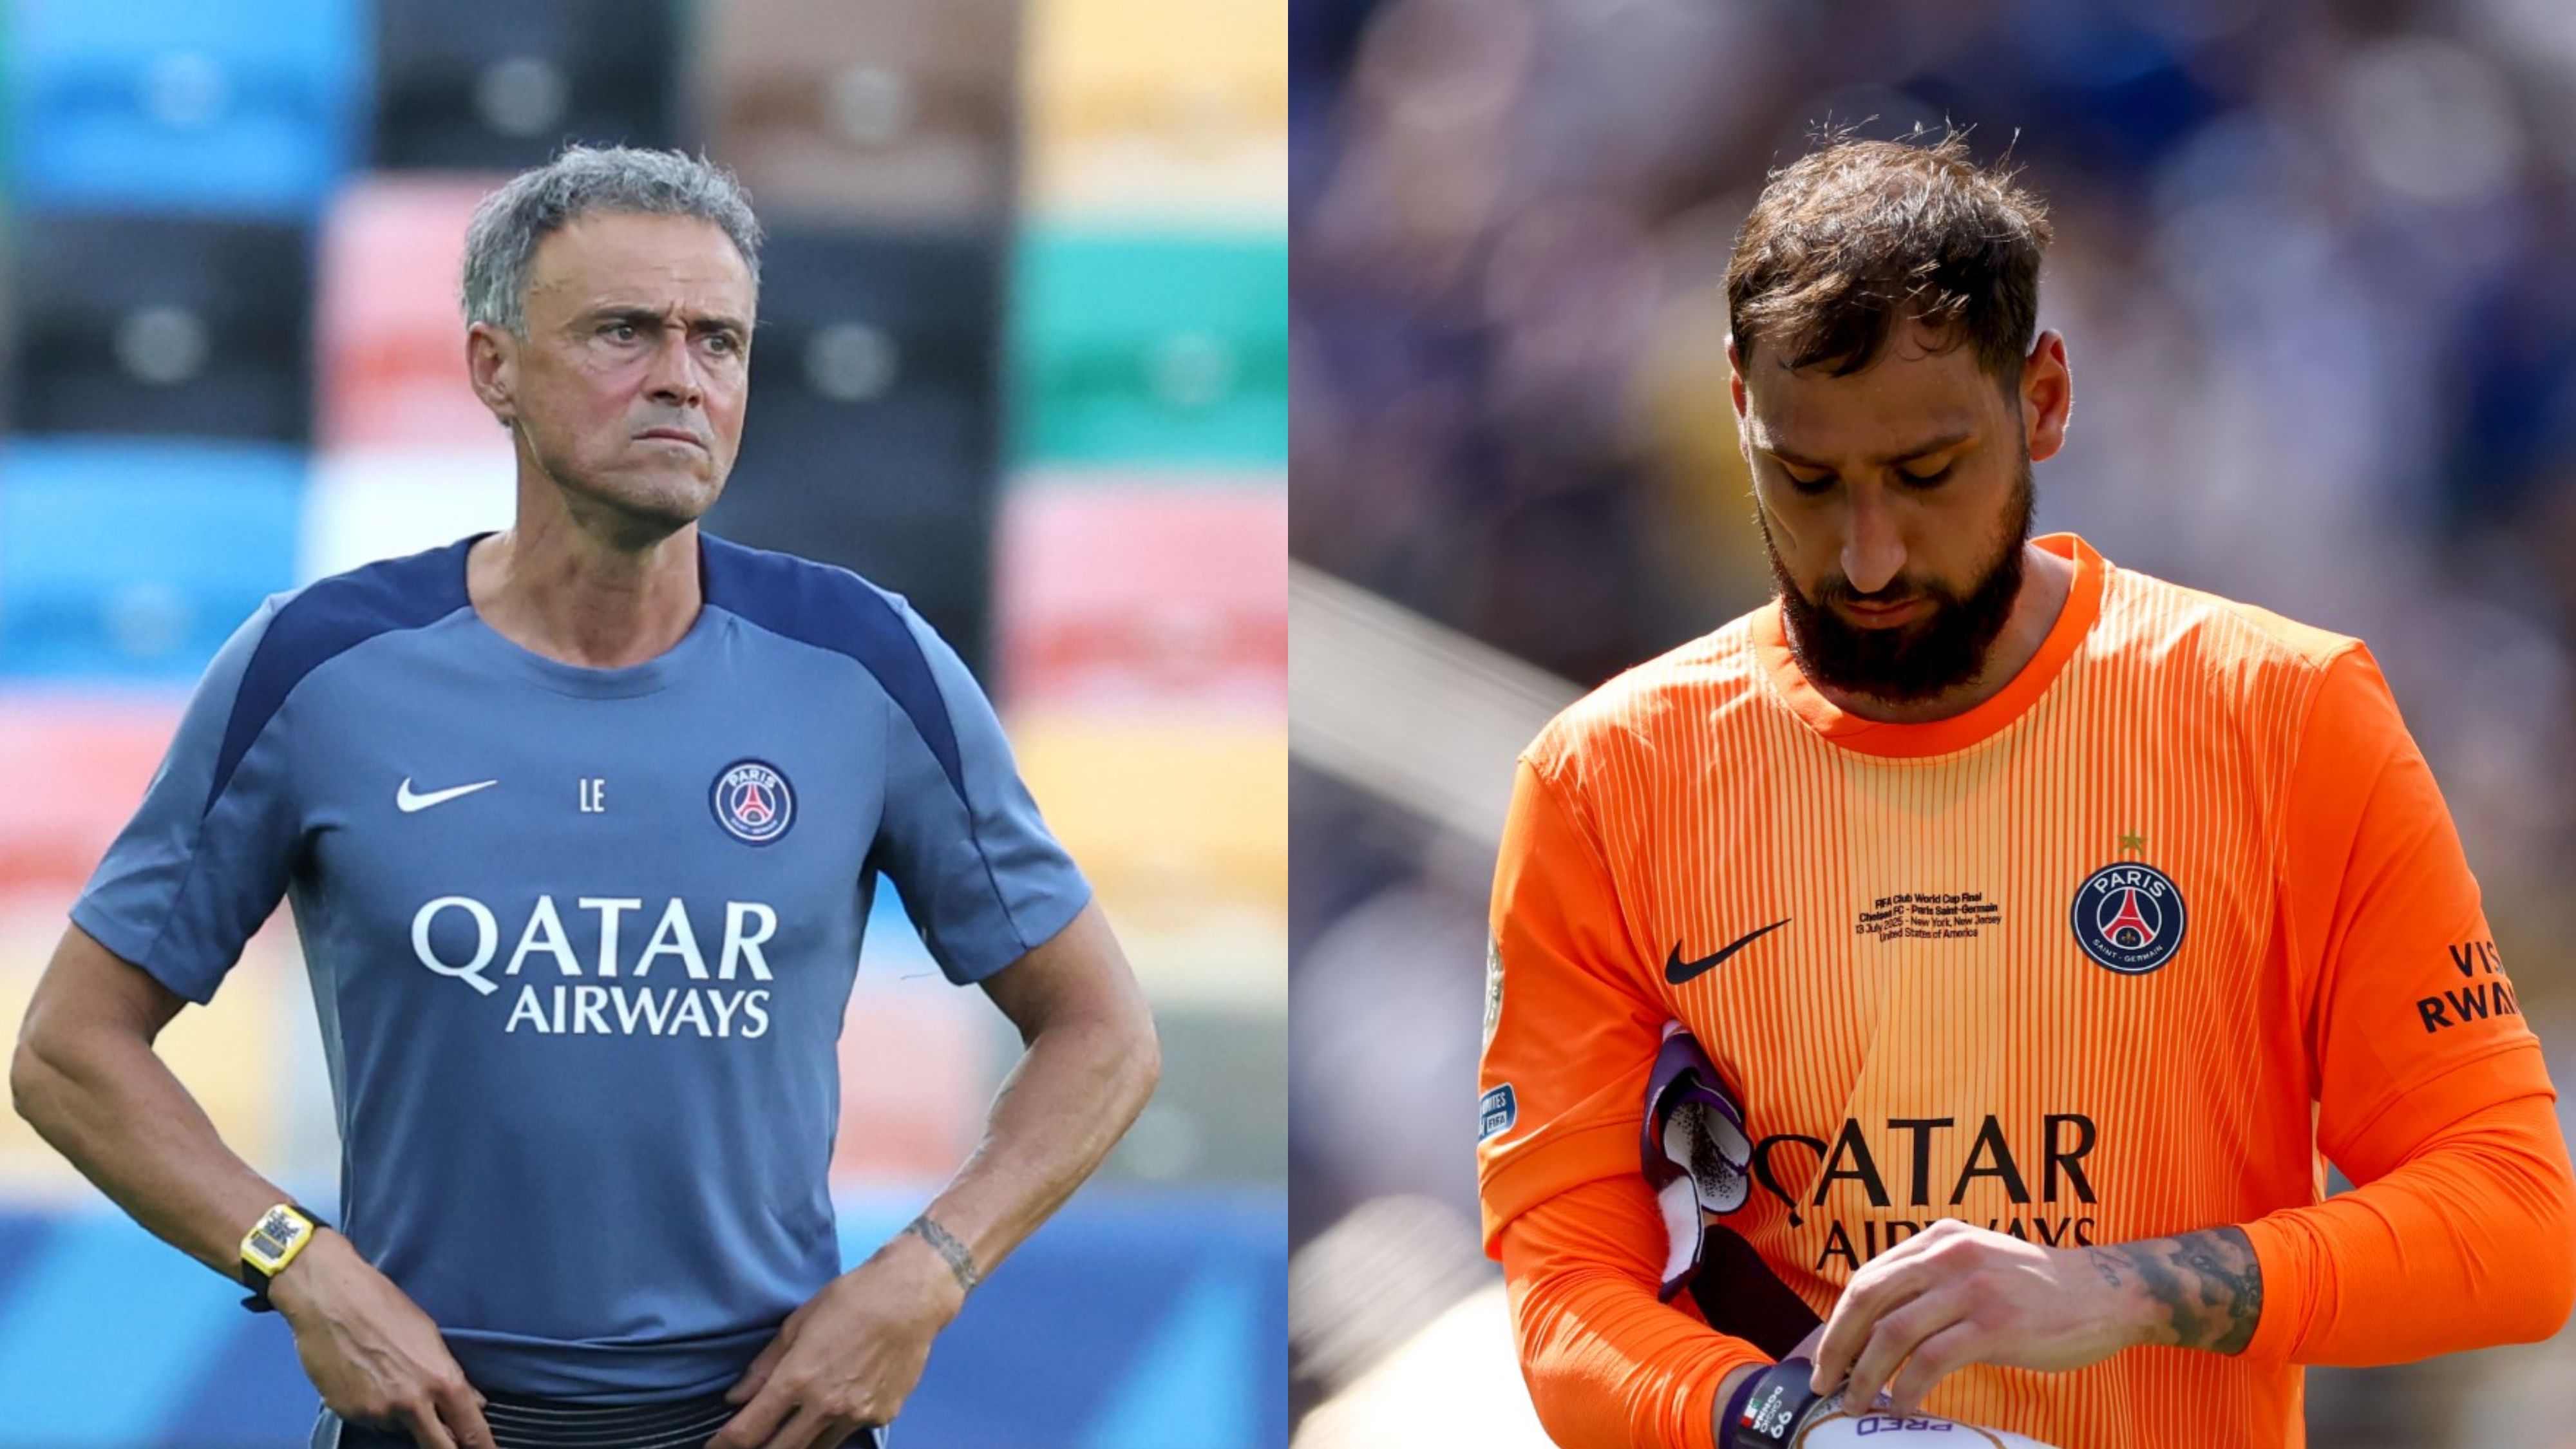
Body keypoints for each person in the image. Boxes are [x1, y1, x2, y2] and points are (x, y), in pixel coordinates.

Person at [8, 145, 1160, 1449]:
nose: (680, 377)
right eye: (624, 332)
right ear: (492, 367)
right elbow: (67, 1050)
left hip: (758, 1427)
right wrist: (294, 1259)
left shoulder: (864, 663)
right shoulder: (318, 667)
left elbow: (1103, 1034)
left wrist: (924, 1275)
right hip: (438, 1427)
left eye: (717, 341)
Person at [1473, 131, 2576, 1449]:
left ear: (2040, 398)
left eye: (1926, 475)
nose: (1867, 557)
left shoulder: (2277, 714)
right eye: (1804, 481)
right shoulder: (1609, 778)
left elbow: (2514, 1229)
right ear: (1733, 408)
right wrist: (1793, 1425)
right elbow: (1563, 1299)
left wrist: (2114, 1290)